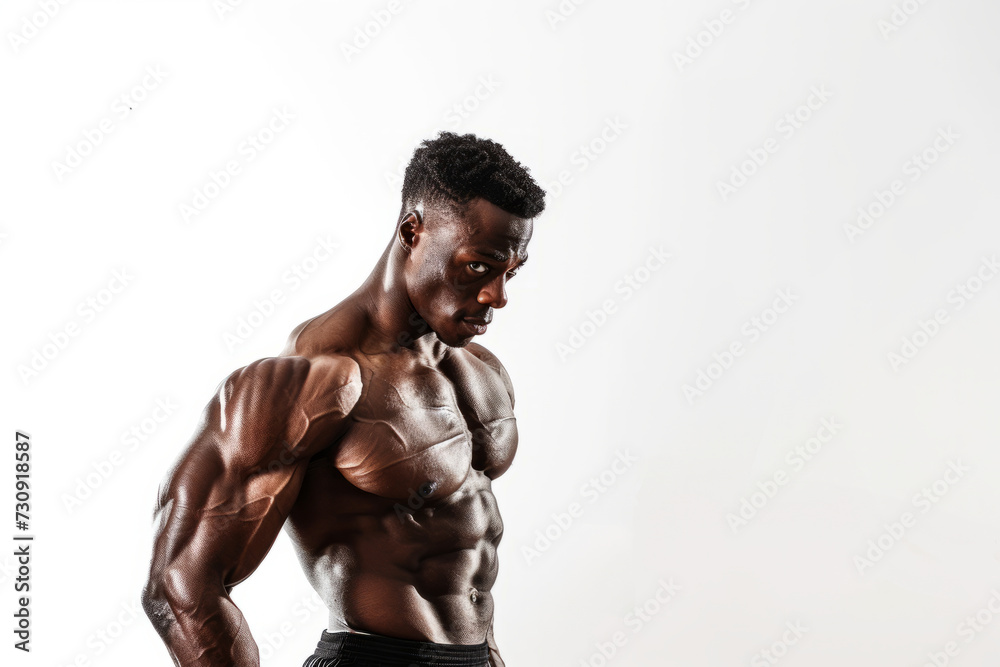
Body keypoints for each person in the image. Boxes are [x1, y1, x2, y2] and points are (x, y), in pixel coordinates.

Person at [141, 131, 546, 667]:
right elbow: (180, 584)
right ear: (411, 230)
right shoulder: (313, 379)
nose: (497, 296)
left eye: (508, 272)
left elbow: (468, 559)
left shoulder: (481, 375)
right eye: (478, 266)